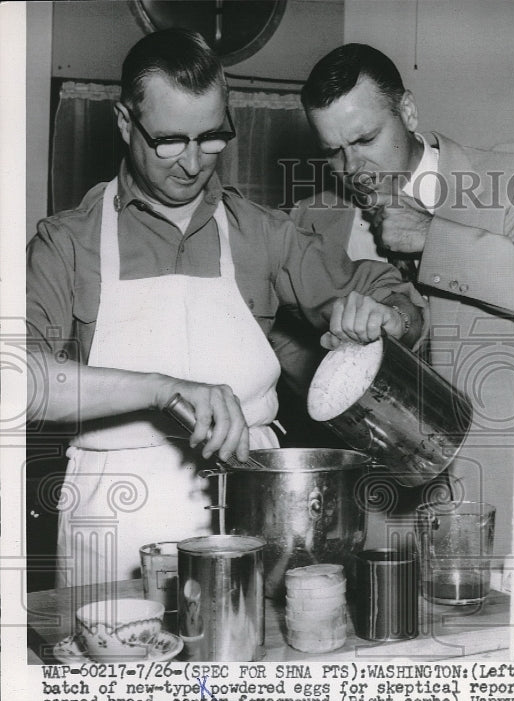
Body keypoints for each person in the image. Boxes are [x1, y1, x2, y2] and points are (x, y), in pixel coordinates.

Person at [26, 29, 423, 587]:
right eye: (169, 140)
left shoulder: (261, 232)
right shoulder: (68, 241)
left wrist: (386, 316)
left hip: (249, 510)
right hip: (110, 519)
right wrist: (163, 389)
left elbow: (389, 292)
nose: (192, 163)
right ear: (123, 123)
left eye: (212, 137)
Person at [283, 43, 514, 553]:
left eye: (366, 138)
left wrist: (434, 239)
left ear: (408, 111)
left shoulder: (510, 179)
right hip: (382, 514)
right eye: (332, 150)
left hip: (504, 489)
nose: (351, 166)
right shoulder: (309, 222)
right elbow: (279, 334)